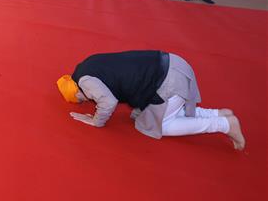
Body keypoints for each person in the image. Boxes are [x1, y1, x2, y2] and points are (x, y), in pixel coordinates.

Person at [56, 50, 245, 150]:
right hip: (173, 63)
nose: (87, 100)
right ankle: (216, 113)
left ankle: (223, 124)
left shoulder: (86, 82)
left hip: (168, 81)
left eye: (81, 100)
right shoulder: (87, 65)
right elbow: (128, 78)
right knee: (152, 114)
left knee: (159, 126)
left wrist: (96, 121)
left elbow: (108, 102)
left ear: (78, 92)